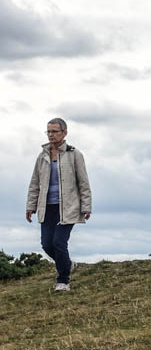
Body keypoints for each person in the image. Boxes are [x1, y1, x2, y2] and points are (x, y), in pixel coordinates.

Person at [25, 118, 92, 292]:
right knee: (47, 244)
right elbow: (35, 183)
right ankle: (68, 264)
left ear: (64, 133)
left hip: (68, 207)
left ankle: (63, 280)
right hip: (47, 207)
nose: (51, 135)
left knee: (59, 242)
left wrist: (86, 206)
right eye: (48, 131)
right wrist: (30, 206)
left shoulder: (74, 154)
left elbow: (83, 182)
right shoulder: (42, 156)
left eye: (54, 131)